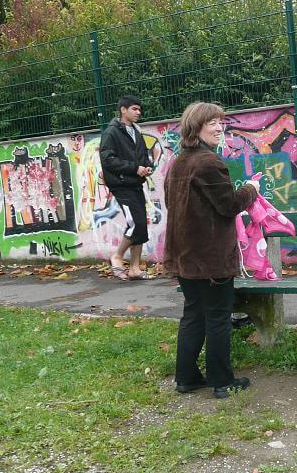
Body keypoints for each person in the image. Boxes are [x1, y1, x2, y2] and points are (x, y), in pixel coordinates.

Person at [163, 102, 260, 399]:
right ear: (195, 128)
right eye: (212, 123)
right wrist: (251, 190)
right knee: (217, 317)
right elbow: (229, 205)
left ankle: (187, 378)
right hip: (210, 257)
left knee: (193, 314)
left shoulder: (178, 164)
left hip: (184, 255)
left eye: (220, 122)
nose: (220, 128)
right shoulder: (208, 162)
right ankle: (222, 381)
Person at [99, 95, 154, 281]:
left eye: (139, 109)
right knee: (136, 224)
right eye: (134, 109)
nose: (138, 112)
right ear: (123, 110)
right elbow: (107, 159)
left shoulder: (136, 131)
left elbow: (143, 155)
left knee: (141, 227)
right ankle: (117, 256)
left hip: (135, 183)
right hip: (121, 184)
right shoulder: (111, 132)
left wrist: (147, 167)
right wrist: (134, 168)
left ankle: (135, 269)